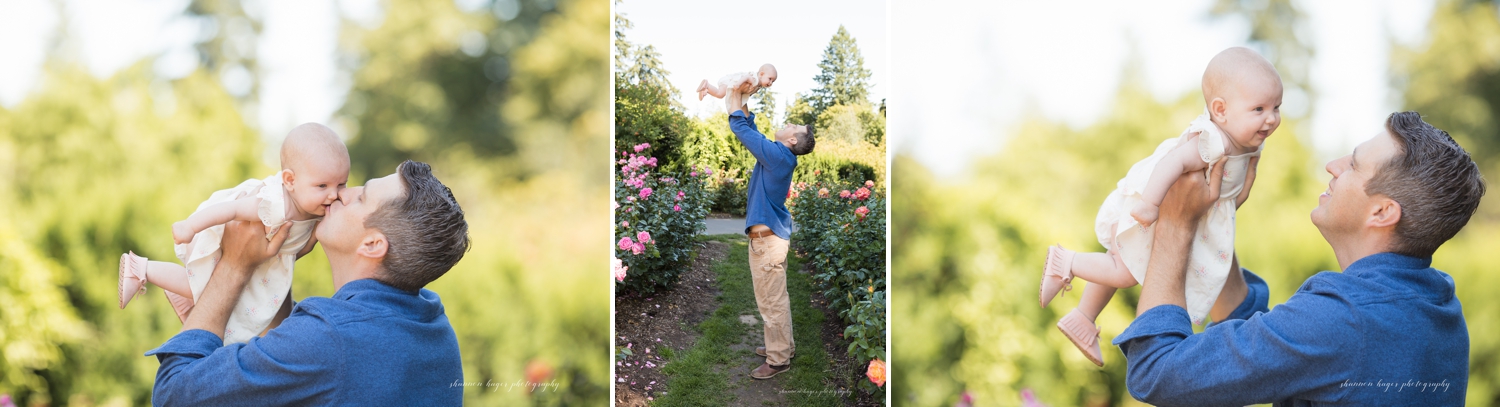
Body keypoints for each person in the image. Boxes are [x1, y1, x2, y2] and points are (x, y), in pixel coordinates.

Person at [1116, 112, 1483, 406]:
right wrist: (1215, 218)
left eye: (1353, 165)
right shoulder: (1438, 307)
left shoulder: (1345, 318)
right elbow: (1261, 352)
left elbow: (1156, 371)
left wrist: (1175, 223)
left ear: (1382, 212)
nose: (1332, 165)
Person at [146, 160, 471, 405]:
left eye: (361, 197)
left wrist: (233, 266)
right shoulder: (434, 327)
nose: (342, 193)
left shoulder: (329, 338)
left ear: (373, 245)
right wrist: (278, 260)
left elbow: (174, 395)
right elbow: (289, 370)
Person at [1037, 47, 1283, 366]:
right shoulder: (1214, 141)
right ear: (1220, 110)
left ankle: (1083, 318)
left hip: (1175, 210)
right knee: (1125, 272)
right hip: (1156, 206)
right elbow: (1173, 162)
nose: (1271, 118)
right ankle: (1065, 261)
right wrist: (1150, 204)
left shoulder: (1243, 144)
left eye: (1277, 107)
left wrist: (1230, 206)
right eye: (1259, 109)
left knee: (1121, 260)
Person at [119, 123, 350, 344]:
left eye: (341, 184)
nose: (334, 195)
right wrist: (190, 226)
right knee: (208, 288)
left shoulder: (318, 207)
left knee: (247, 302)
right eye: (322, 186)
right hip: (227, 240)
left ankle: (187, 299)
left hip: (262, 258)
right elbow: (231, 210)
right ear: (290, 181)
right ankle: (139, 268)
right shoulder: (273, 205)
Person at [727, 99, 814, 379]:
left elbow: (742, 130)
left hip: (766, 243)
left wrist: (735, 99)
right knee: (776, 299)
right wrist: (743, 103)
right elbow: (753, 132)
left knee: (771, 302)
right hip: (770, 239)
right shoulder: (778, 155)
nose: (789, 123)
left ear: (792, 140)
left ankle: (778, 360)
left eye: (793, 126)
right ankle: (783, 346)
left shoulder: (778, 156)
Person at [699, 63, 778, 114]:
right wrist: (738, 84)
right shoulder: (754, 79)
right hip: (730, 81)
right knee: (720, 94)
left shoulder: (758, 85)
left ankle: (706, 90)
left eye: (773, 81)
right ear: (761, 74)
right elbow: (746, 77)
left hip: (732, 82)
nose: (770, 83)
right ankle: (707, 85)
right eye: (770, 79)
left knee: (719, 94)